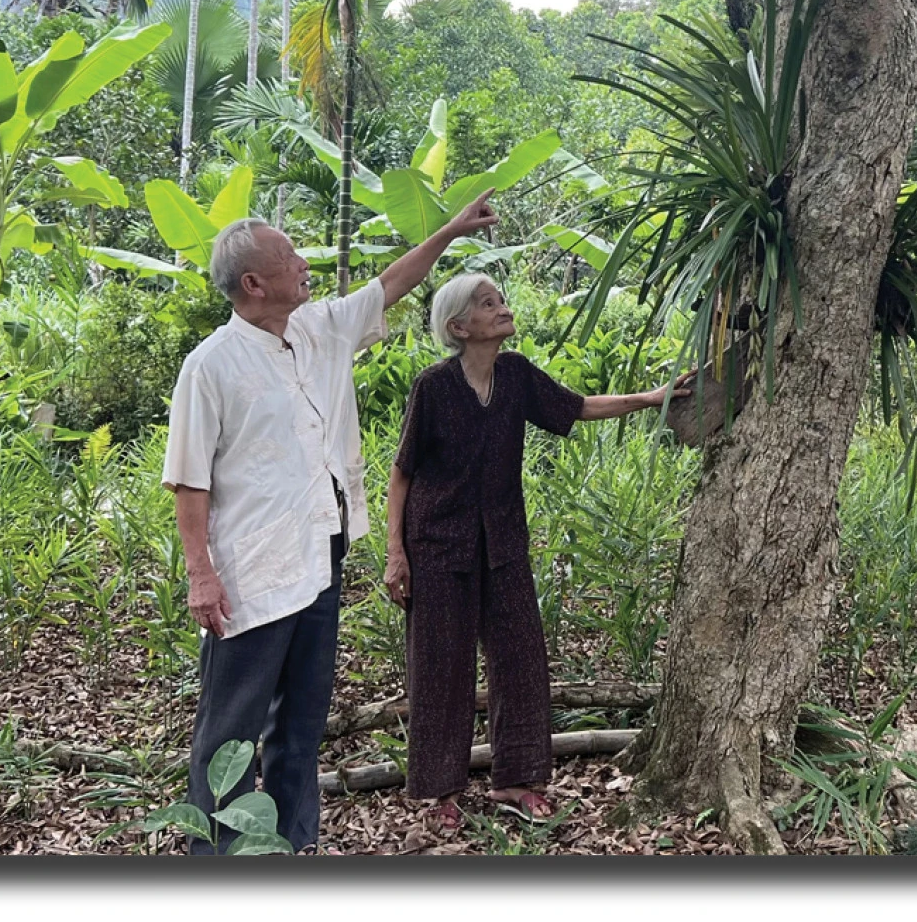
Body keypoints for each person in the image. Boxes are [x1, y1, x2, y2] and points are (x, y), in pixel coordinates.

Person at [161, 197, 497, 853]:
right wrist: (200, 573)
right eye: (289, 257)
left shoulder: (321, 328)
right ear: (254, 282)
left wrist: (452, 229)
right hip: (251, 574)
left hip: (320, 554)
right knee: (230, 731)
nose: (303, 263)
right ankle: (218, 859)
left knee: (302, 720)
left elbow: (392, 283)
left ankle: (294, 845)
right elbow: (190, 481)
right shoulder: (211, 365)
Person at [385, 273, 686, 829]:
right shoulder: (434, 387)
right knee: (440, 668)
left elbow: (578, 407)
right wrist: (395, 554)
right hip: (438, 546)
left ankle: (516, 780)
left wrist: (650, 398)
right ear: (459, 327)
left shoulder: (517, 375)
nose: (503, 308)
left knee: (521, 659)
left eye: (500, 300)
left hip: (502, 541)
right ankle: (441, 793)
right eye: (488, 303)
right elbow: (401, 474)